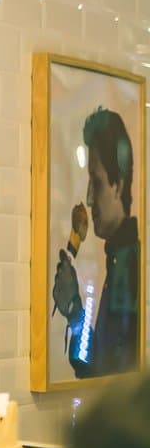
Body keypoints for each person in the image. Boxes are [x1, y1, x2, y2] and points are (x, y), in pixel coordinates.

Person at [52, 107, 140, 379]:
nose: (89, 198)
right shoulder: (119, 258)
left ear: (119, 185)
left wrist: (75, 312)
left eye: (97, 182)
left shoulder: (128, 266)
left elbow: (105, 374)